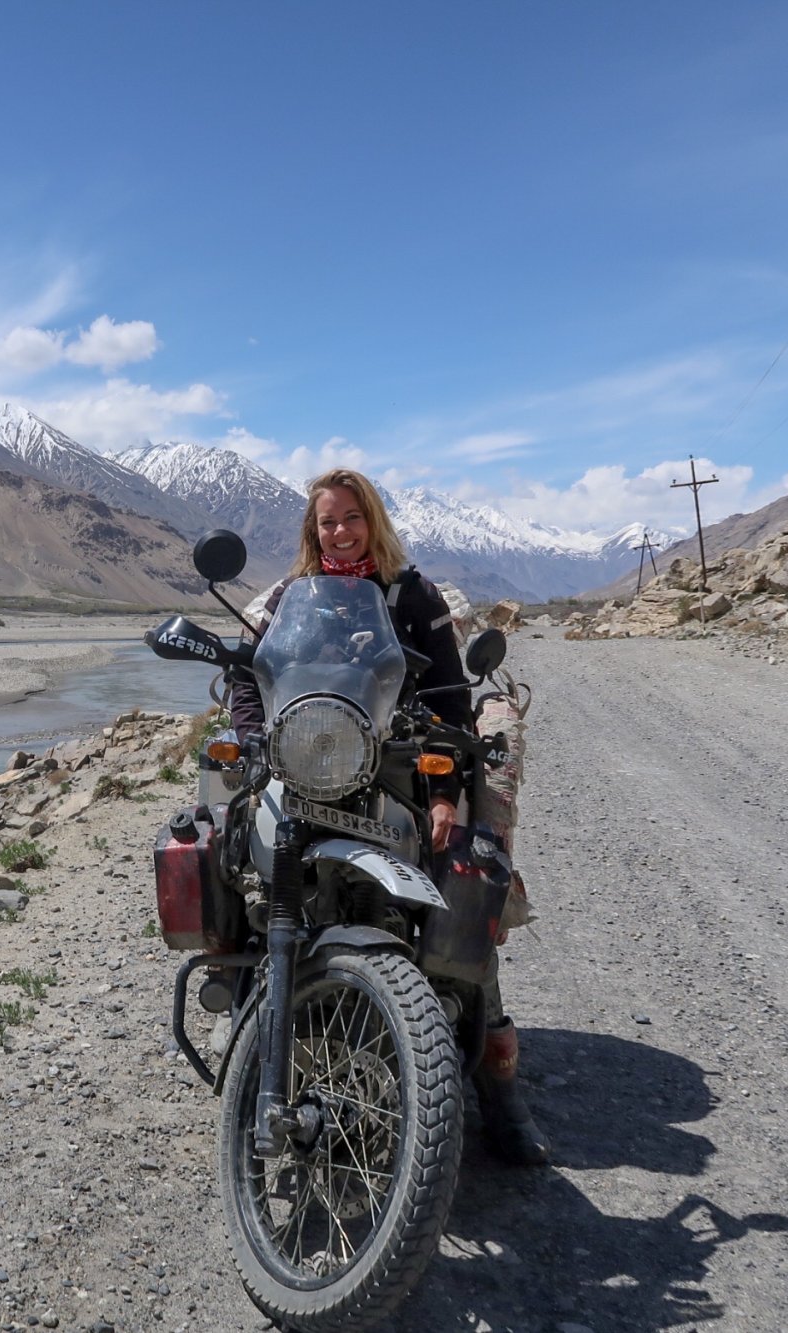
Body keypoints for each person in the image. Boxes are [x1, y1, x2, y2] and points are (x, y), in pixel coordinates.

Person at [226, 467, 550, 1167]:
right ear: (313, 530)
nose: (340, 531)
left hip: (398, 764)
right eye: (327, 521)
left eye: (351, 517)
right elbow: (249, 676)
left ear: (372, 519)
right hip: (308, 758)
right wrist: (253, 739)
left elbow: (450, 699)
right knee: (240, 854)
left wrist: (444, 790)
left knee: (465, 882)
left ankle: (500, 1087)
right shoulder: (290, 595)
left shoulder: (412, 594)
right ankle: (252, 1020)